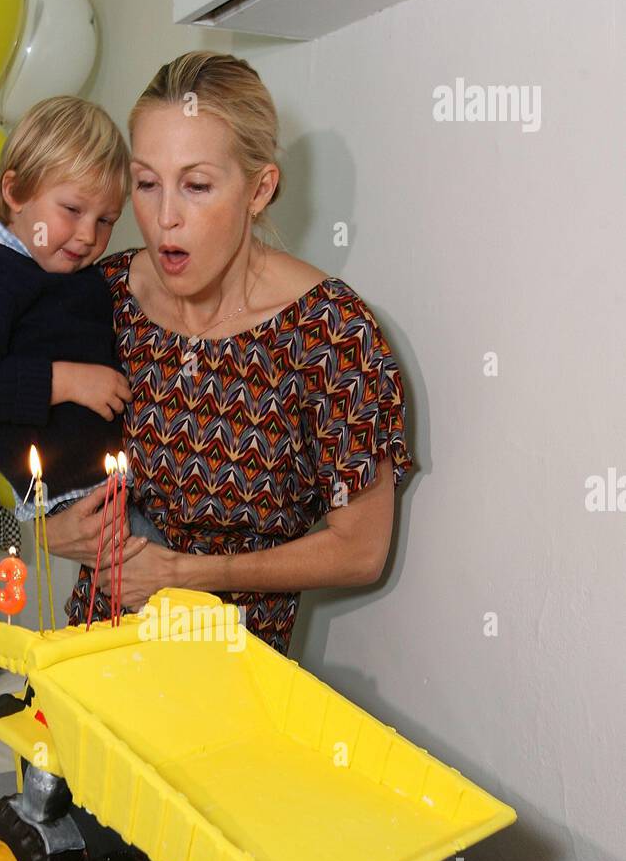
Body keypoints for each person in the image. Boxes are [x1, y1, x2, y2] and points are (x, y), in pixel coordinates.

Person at [47, 52, 413, 655]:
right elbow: (30, 435)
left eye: (196, 186)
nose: (165, 218)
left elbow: (360, 550)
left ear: (259, 188)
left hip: (231, 691)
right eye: (145, 183)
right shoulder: (99, 297)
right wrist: (50, 528)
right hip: (90, 661)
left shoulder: (330, 334)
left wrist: (187, 574)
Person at [0, 95, 165, 545]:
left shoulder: (60, 268)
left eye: (106, 220)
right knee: (170, 599)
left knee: (163, 603)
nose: (89, 235)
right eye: (72, 210)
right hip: (77, 493)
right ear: (14, 193)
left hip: (123, 479)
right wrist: (68, 381)